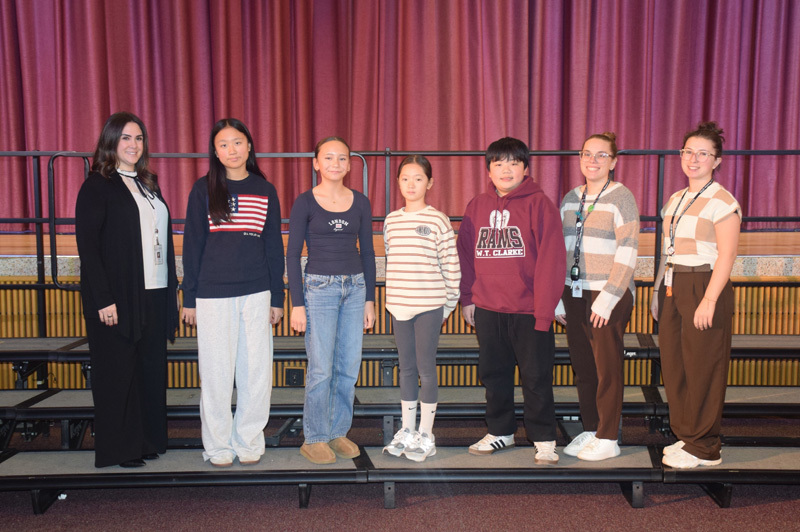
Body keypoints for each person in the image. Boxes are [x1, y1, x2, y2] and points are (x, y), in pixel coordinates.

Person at [76, 111, 178, 468]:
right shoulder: (97, 185)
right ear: (111, 143)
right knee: (118, 373)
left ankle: (147, 440)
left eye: (138, 139)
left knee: (149, 370)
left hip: (154, 291)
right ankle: (121, 448)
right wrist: (104, 298)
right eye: (125, 138)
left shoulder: (150, 184)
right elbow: (88, 246)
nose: (133, 145)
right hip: (117, 297)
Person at [181, 118, 285, 467]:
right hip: (212, 295)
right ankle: (218, 446)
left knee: (256, 372)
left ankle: (249, 440)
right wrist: (189, 297)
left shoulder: (265, 190)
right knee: (216, 374)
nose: (231, 150)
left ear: (249, 146)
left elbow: (274, 246)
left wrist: (277, 297)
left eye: (237, 142)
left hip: (256, 293)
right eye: (223, 144)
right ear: (215, 151)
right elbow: (192, 246)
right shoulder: (203, 189)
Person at [457, 137, 566, 464]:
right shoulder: (477, 205)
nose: (506, 169)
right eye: (499, 163)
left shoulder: (540, 204)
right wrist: (467, 297)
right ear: (489, 169)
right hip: (488, 308)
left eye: (513, 163)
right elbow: (465, 254)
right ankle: (501, 431)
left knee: (536, 377)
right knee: (494, 375)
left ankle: (544, 437)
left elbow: (551, 260)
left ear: (525, 169)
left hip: (530, 310)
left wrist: (544, 311)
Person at [651, 122, 740, 469]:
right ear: (680, 155)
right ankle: (686, 435)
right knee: (676, 365)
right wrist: (658, 290)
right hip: (673, 284)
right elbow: (666, 251)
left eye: (703, 154)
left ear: (716, 161)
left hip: (705, 284)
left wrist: (710, 300)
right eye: (688, 152)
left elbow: (727, 255)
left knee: (704, 367)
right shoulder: (676, 199)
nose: (694, 159)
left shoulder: (723, 201)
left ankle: (706, 446)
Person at [287, 136, 376, 464]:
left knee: (348, 365)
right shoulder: (305, 202)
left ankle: (338, 431)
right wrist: (297, 303)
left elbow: (367, 252)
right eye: (329, 158)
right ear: (316, 163)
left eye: (342, 158)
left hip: (354, 288)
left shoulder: (361, 202)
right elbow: (293, 253)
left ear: (350, 164)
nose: (335, 164)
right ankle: (315, 437)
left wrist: (369, 299)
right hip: (319, 289)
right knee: (322, 367)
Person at [555, 132, 639, 461]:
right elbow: (559, 251)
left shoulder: (621, 197)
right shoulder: (571, 198)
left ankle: (608, 435)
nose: (593, 160)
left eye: (601, 155)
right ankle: (591, 428)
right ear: (579, 159)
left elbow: (629, 250)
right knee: (584, 367)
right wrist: (557, 296)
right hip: (574, 294)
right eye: (587, 154)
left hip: (608, 293)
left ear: (614, 162)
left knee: (607, 368)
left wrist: (609, 297)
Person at [381, 155, 461, 462]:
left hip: (429, 306)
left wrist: (448, 305)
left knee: (426, 370)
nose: (411, 184)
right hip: (399, 307)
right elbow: (392, 261)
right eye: (405, 178)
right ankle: (408, 430)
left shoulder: (438, 220)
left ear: (429, 183)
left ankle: (427, 434)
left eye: (418, 178)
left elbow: (451, 266)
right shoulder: (391, 220)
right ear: (398, 181)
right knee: (407, 369)